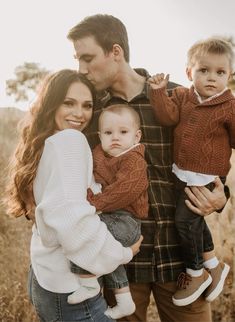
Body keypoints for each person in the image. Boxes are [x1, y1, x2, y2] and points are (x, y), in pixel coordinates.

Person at [67, 14, 229, 322]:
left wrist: (222, 196)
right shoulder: (92, 113)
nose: (81, 70)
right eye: (77, 60)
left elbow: (211, 155)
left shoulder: (178, 97)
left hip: (182, 263)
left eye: (87, 58)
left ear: (115, 52)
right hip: (122, 265)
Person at [4, 69, 142, 322]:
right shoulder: (71, 141)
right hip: (70, 287)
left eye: (87, 105)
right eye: (69, 103)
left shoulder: (47, 141)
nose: (79, 114)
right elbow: (73, 220)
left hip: (44, 276)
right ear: (51, 103)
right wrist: (123, 254)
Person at [148, 37, 234, 307]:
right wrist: (159, 92)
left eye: (220, 73)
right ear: (189, 73)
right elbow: (167, 117)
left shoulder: (230, 106)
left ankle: (196, 272)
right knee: (193, 220)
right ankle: (214, 266)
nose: (212, 78)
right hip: (182, 173)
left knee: (185, 221)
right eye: (203, 71)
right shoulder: (184, 96)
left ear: (229, 75)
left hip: (207, 177)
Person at [68, 104, 149, 320]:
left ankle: (88, 281)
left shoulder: (134, 160)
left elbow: (123, 191)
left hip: (126, 221)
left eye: (123, 132)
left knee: (87, 235)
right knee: (110, 257)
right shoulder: (98, 154)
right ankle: (124, 301)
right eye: (108, 133)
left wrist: (94, 203)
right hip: (111, 217)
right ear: (99, 135)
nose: (115, 138)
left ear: (136, 136)